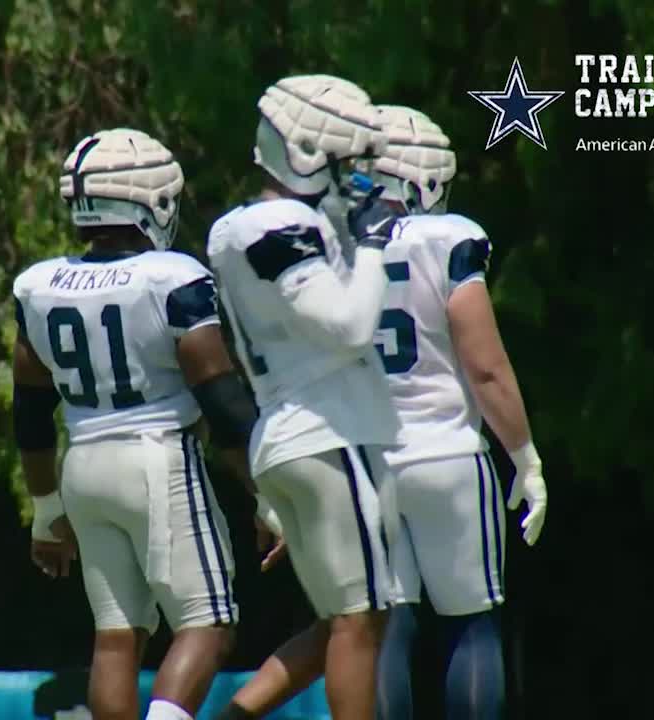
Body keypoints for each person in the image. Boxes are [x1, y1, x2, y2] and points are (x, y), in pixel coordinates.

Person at [213, 106, 551, 720]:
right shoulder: (445, 239)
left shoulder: (322, 242)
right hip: (446, 451)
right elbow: (484, 365)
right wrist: (524, 455)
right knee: (471, 624)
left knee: (381, 625)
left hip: (364, 455)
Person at [12, 127, 261, 720]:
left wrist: (45, 507)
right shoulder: (171, 276)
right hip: (157, 459)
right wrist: (265, 488)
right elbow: (221, 396)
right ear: (150, 199)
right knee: (210, 623)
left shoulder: (38, 285)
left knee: (117, 635)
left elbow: (28, 409)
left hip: (84, 464)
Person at [205, 75, 405, 720]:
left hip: (288, 435)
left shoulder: (237, 225)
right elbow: (348, 326)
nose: (357, 175)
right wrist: (372, 244)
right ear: (308, 152)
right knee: (361, 619)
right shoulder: (282, 221)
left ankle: (234, 717)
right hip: (326, 432)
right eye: (346, 160)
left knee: (342, 618)